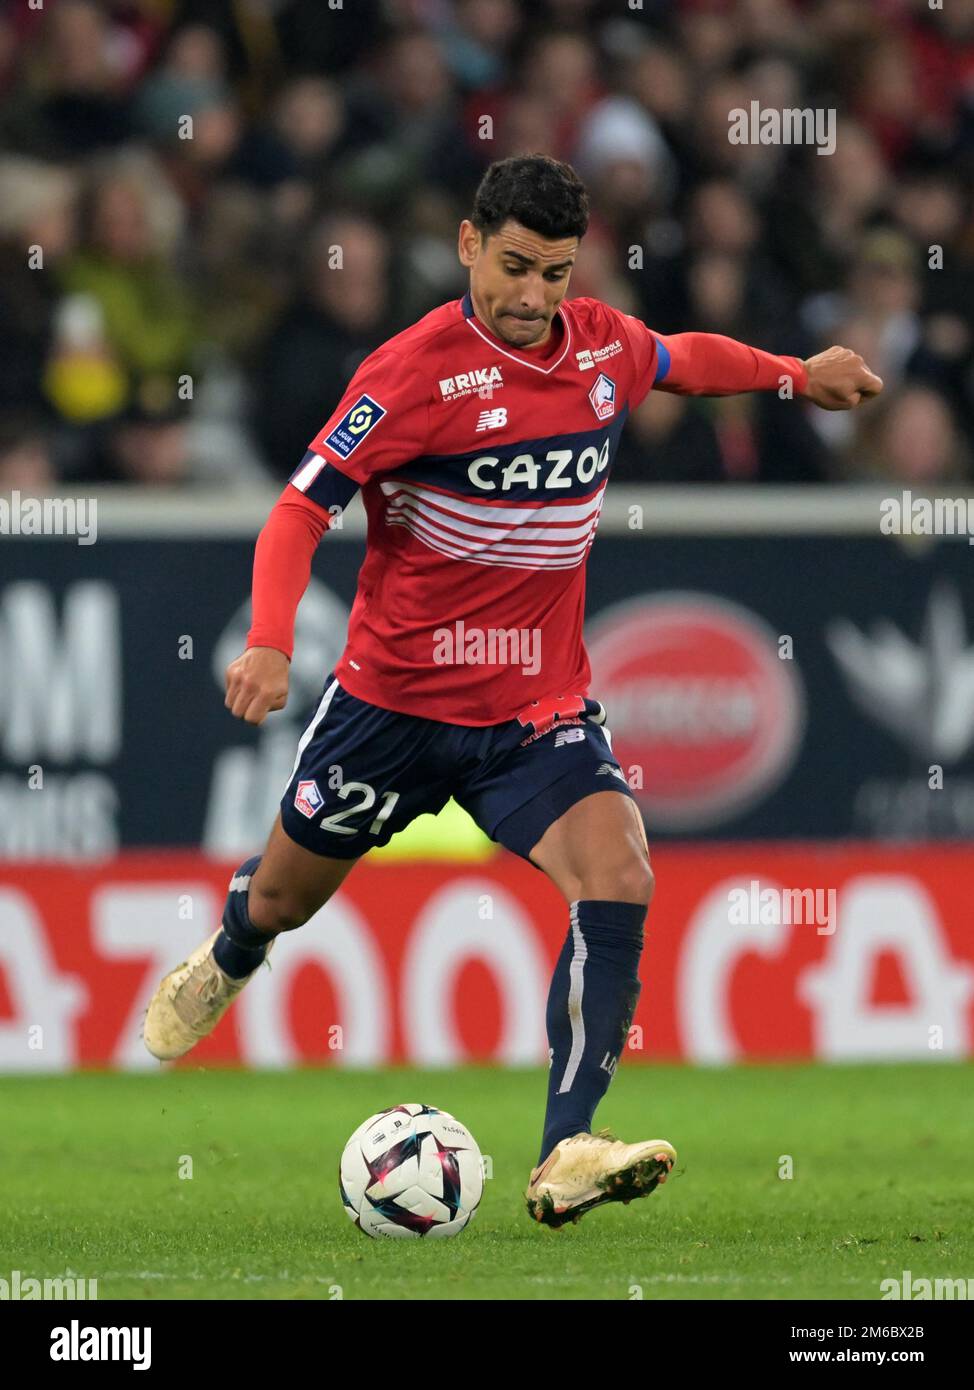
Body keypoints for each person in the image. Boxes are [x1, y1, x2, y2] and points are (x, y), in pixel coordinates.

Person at [143, 154, 883, 1228]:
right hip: (388, 710)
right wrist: (265, 641)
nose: (532, 296)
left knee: (619, 867)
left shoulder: (602, 349)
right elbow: (300, 511)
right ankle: (229, 953)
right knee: (281, 899)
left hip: (533, 713)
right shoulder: (408, 375)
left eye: (553, 272)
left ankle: (565, 1146)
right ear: (465, 246)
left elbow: (684, 359)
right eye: (513, 268)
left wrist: (789, 372)